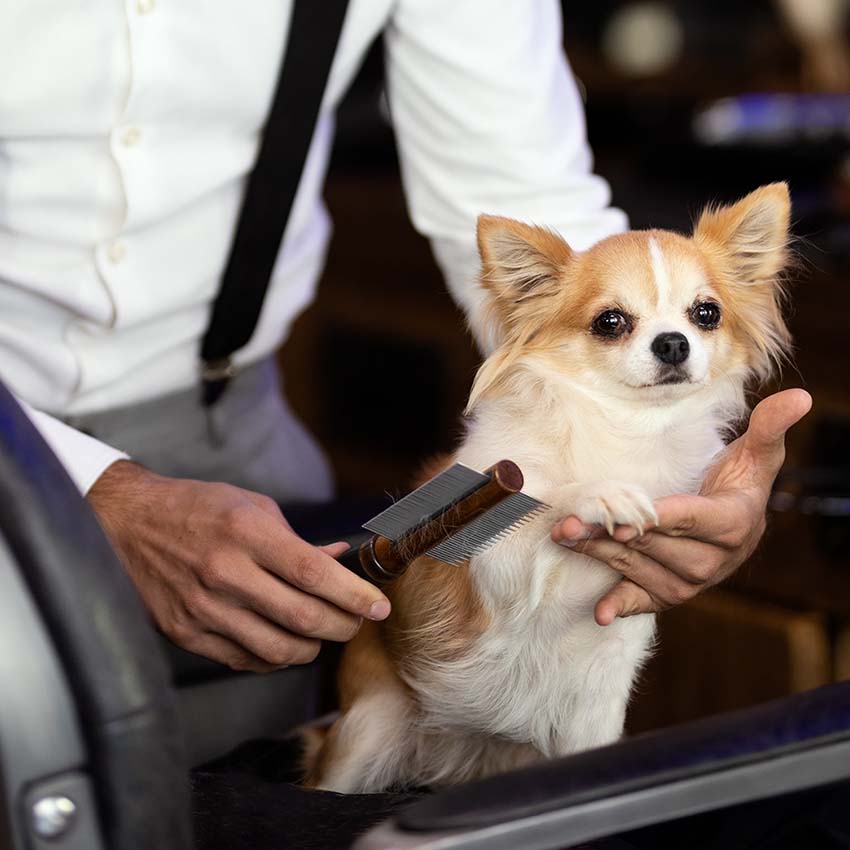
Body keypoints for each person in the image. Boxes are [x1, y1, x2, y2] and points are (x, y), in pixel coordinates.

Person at [0, 0, 810, 673]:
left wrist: (683, 464)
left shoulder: (488, 485)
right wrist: (96, 494)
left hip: (236, 460)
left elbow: (518, 202)